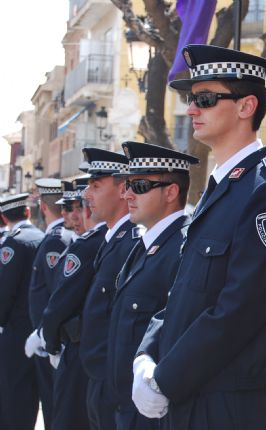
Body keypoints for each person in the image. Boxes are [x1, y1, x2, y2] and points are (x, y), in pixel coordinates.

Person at [133, 44, 266, 429]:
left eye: (206, 99)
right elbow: (186, 293)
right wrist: (147, 354)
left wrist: (166, 379)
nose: (191, 109)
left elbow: (240, 309)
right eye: (191, 99)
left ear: (246, 106)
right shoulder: (222, 189)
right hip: (195, 398)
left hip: (234, 408)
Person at [108, 141, 197, 430]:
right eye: (128, 184)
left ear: (171, 191)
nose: (128, 194)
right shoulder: (146, 244)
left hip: (154, 409)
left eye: (141, 185)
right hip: (126, 403)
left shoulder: (183, 245)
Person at [80, 148, 140, 430]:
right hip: (98, 376)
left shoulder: (130, 242)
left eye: (95, 186)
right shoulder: (112, 238)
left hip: (112, 379)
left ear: (122, 189)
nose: (86, 195)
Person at [42, 176, 105, 430]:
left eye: (74, 208)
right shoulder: (88, 243)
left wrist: (51, 340)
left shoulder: (89, 244)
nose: (70, 215)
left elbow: (60, 303)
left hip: (80, 348)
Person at [25, 178, 74, 428]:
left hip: (49, 340)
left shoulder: (55, 240)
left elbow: (57, 292)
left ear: (43, 206)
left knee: (53, 402)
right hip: (47, 337)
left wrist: (45, 333)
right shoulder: (55, 236)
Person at [0, 193, 45, 429]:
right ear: (27, 213)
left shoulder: (13, 242)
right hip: (39, 330)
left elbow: (4, 291)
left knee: (12, 398)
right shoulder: (42, 237)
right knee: (32, 395)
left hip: (15, 332)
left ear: (3, 217)